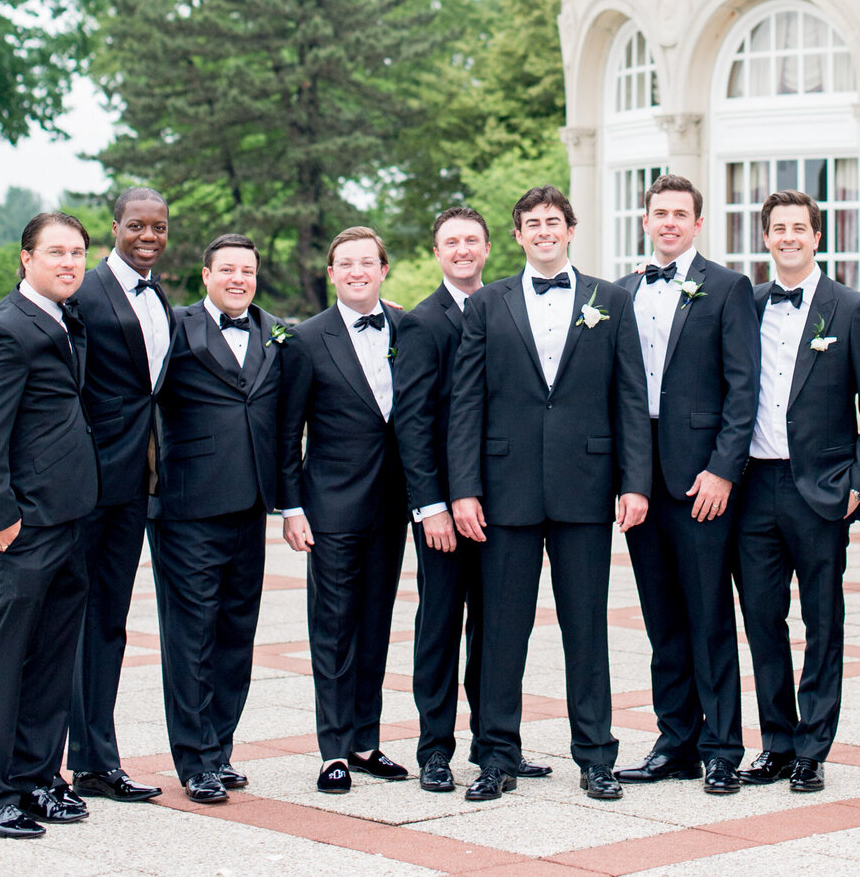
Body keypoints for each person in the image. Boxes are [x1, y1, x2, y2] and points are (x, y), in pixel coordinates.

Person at [448, 185, 651, 803]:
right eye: (531, 223)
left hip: (586, 488)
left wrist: (635, 482)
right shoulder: (487, 303)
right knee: (503, 630)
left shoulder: (611, 300)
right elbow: (467, 401)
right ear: (517, 236)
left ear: (570, 228)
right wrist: (463, 489)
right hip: (504, 488)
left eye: (553, 221)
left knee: (586, 628)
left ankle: (595, 756)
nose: (543, 231)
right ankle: (496, 756)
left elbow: (631, 398)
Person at [735, 190, 860, 792]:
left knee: (822, 620)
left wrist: (859, 485)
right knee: (762, 618)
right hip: (753, 484)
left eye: (800, 227)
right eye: (778, 228)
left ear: (817, 236)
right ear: (766, 238)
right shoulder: (745, 305)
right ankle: (775, 741)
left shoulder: (851, 309)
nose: (789, 237)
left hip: (822, 489)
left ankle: (813, 747)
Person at [395, 207, 555, 792]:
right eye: (450, 242)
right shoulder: (421, 322)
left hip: (503, 504)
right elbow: (412, 424)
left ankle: (497, 745)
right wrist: (431, 503)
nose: (462, 250)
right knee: (440, 624)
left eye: (471, 241)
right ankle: (435, 749)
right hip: (443, 507)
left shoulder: (512, 306)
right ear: (437, 253)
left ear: (489, 247)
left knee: (498, 628)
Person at [615, 174, 759, 795]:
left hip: (703, 480)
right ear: (645, 221)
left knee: (707, 617)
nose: (669, 222)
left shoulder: (729, 288)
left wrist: (724, 470)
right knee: (662, 621)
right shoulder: (620, 294)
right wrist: (626, 480)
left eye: (681, 214)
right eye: (659, 213)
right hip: (641, 484)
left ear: (698, 223)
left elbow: (744, 387)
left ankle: (722, 747)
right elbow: (614, 396)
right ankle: (675, 740)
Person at [148, 234, 282, 805]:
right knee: (191, 636)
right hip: (186, 509)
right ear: (204, 275)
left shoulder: (276, 331)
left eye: (246, 270)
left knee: (235, 633)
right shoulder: (174, 328)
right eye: (226, 269)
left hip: (250, 509)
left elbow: (334, 341)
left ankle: (220, 748)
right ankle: (194, 758)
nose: (237, 279)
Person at [279, 227, 408, 794]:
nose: (357, 271)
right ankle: (332, 748)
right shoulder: (306, 339)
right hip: (330, 505)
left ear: (383, 269)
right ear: (331, 274)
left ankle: (364, 741)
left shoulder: (409, 327)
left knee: (377, 624)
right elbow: (287, 433)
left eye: (367, 262)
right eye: (345, 263)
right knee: (333, 627)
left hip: (393, 505)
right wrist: (291, 507)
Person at [0, 213, 100, 839]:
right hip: (23, 527)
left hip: (70, 521)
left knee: (52, 661)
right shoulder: (9, 328)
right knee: (5, 660)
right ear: (26, 259)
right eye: (56, 252)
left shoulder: (65, 320)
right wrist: (1, 514)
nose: (68, 262)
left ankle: (37, 777)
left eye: (78, 253)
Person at [68, 186, 172, 804]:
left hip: (135, 486)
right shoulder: (82, 292)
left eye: (158, 226)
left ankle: (95, 762)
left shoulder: (158, 294)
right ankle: (42, 766)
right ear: (115, 228)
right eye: (137, 225)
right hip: (84, 484)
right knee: (70, 623)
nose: (148, 236)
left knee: (108, 622)